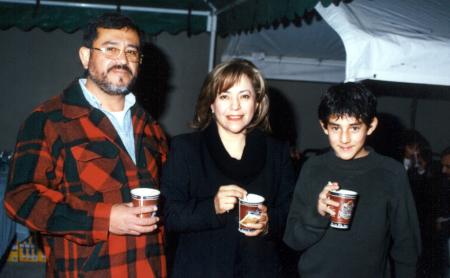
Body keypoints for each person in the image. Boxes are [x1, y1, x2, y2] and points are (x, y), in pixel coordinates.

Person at [3, 13, 168, 277]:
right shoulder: (49, 120)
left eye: (131, 52)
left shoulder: (150, 126)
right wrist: (104, 218)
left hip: (150, 269)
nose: (122, 60)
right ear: (85, 56)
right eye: (111, 49)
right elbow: (20, 198)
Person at [160, 59, 296, 277]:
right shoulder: (186, 148)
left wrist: (268, 221)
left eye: (244, 96)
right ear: (211, 104)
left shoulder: (276, 152)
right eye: (225, 96)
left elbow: (292, 212)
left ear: (258, 103)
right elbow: (169, 214)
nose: (235, 106)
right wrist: (211, 207)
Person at [283, 82, 421, 277]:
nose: (344, 138)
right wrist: (317, 213)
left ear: (371, 126)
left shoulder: (391, 172)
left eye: (354, 128)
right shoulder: (312, 168)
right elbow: (293, 240)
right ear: (324, 127)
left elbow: (407, 246)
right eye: (336, 128)